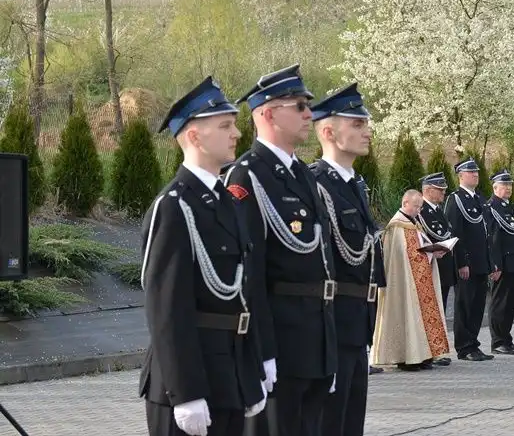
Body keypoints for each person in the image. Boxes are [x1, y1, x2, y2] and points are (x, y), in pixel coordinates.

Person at [139, 76, 267, 436]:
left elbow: (244, 295)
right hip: (189, 382)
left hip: (229, 377)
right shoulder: (174, 206)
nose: (237, 134)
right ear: (194, 136)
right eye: (225, 125)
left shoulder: (226, 201)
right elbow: (166, 308)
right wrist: (186, 393)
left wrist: (251, 373)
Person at [224, 64, 337, 436]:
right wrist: (262, 349)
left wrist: (329, 345)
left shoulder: (302, 173)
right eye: (299, 106)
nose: (309, 114)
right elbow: (249, 273)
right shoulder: (247, 176)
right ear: (269, 113)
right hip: (281, 340)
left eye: (308, 106)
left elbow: (321, 262)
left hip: (315, 339)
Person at [308, 83, 386, 436]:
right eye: (357, 124)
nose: (367, 131)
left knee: (351, 424)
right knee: (330, 424)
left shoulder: (355, 185)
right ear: (328, 131)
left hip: (357, 326)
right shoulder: (316, 185)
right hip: (332, 326)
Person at [371, 189, 451, 371]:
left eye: (420, 207)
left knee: (418, 316)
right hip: (404, 283)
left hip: (418, 279)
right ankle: (406, 358)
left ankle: (422, 355)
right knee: (407, 314)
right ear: (405, 203)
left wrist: (433, 253)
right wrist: (428, 253)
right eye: (416, 206)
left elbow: (418, 251)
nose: (418, 210)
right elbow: (403, 257)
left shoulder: (413, 224)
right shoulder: (397, 227)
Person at [445, 157, 497, 362]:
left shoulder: (479, 199)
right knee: (465, 305)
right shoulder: (455, 199)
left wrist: (491, 261)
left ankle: (473, 343)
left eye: (476, 172)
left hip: (481, 262)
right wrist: (462, 262)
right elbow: (455, 233)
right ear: (460, 176)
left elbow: (487, 234)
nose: (475, 175)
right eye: (470, 172)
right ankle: (464, 347)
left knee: (477, 306)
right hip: (468, 263)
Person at [486, 169, 514, 355]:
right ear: (495, 187)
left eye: (510, 185)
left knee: (511, 303)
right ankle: (498, 341)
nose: (508, 188)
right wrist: (495, 264)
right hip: (503, 264)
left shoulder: (508, 208)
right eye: (504, 185)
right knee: (500, 303)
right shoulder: (490, 208)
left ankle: (506, 339)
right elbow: (491, 239)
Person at [416, 172, 456, 320]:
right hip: (433, 266)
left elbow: (448, 233)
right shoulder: (422, 210)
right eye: (440, 189)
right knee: (431, 311)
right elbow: (437, 236)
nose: (444, 192)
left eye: (444, 189)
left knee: (441, 309)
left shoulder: (438, 210)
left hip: (443, 266)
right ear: (427, 190)